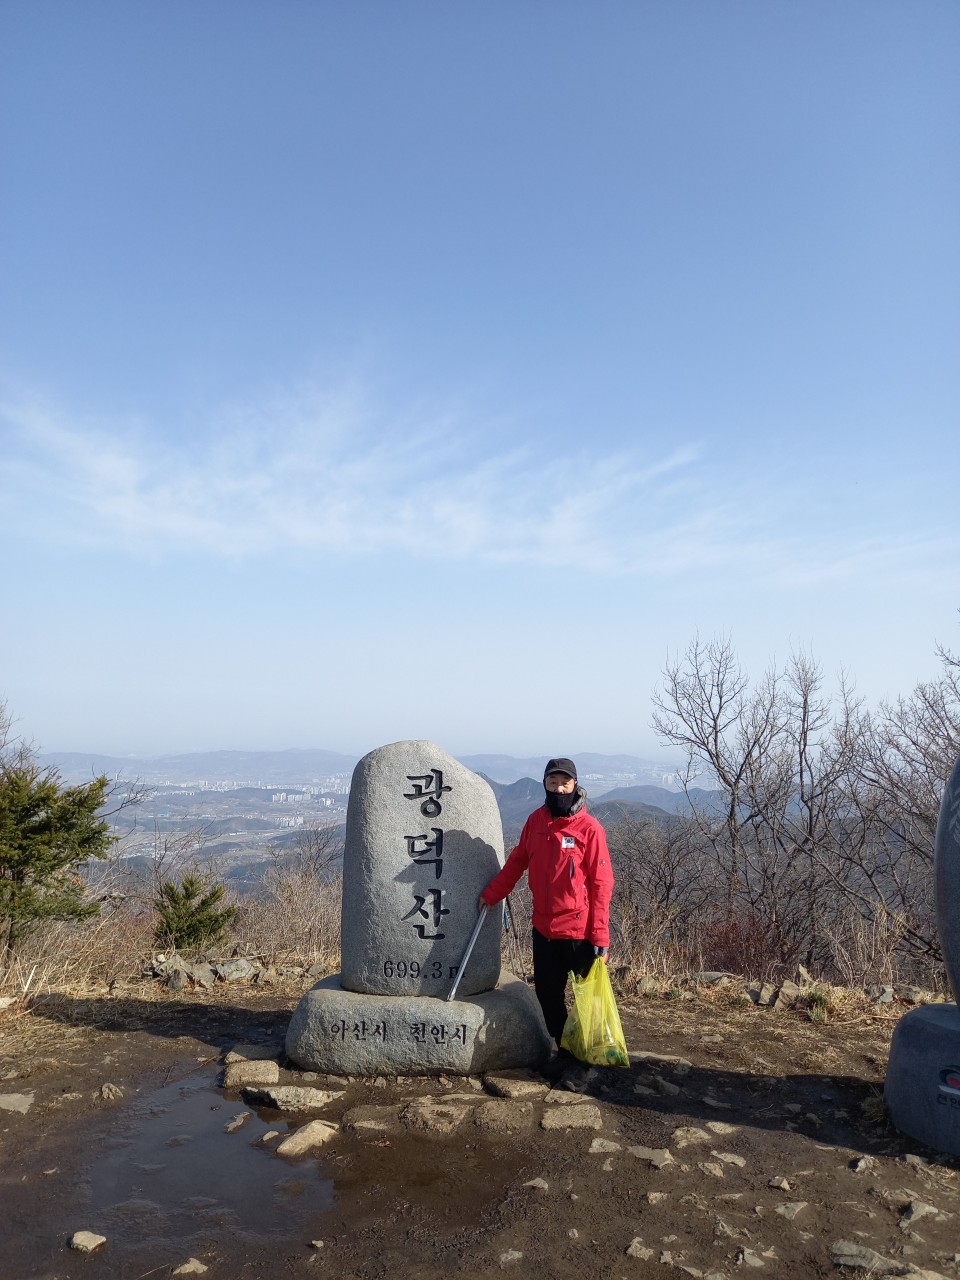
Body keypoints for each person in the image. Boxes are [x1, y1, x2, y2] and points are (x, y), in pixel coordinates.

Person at [478, 756, 614, 1090]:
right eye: (552, 783)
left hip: (579, 932)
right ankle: (565, 1051)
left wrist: (600, 933)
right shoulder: (536, 822)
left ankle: (583, 1064)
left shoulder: (589, 829)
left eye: (565, 783)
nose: (558, 789)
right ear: (545, 784)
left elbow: (601, 882)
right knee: (549, 996)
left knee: (587, 1002)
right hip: (544, 928)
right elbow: (518, 861)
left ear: (575, 785)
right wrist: (493, 894)